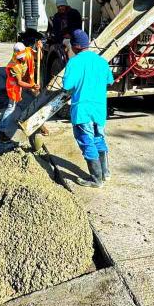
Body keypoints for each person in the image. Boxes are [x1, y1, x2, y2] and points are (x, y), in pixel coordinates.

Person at [62, 29, 114, 188]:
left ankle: (96, 179)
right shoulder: (102, 61)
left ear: (76, 46)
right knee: (99, 138)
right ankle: (105, 173)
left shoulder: (74, 62)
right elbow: (109, 81)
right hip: (99, 110)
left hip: (82, 111)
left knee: (86, 142)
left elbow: (66, 85)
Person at [0, 42, 40, 142]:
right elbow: (19, 82)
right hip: (14, 87)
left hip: (26, 80)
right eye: (20, 57)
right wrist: (32, 86)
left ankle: (38, 125)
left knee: (35, 101)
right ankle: (2, 132)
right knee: (11, 108)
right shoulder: (13, 65)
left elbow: (40, 57)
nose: (23, 59)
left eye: (23, 56)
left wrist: (40, 49)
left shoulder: (28, 51)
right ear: (16, 54)